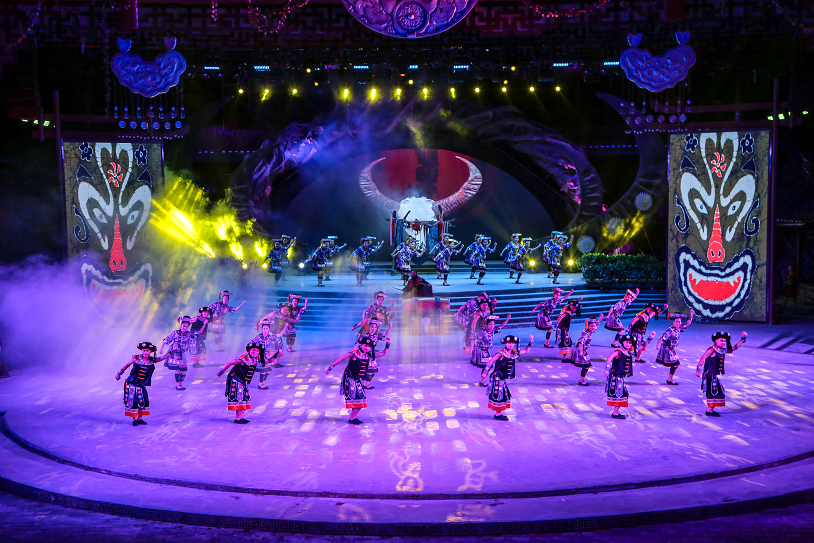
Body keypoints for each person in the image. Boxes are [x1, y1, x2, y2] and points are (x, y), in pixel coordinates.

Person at [325, 336, 390, 425]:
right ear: (361, 345)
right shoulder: (354, 353)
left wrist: (388, 344)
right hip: (349, 379)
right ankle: (352, 418)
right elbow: (341, 358)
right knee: (359, 399)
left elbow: (383, 353)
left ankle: (352, 418)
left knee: (361, 401)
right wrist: (330, 368)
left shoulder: (368, 355)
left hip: (356, 379)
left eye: (369, 346)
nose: (367, 348)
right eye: (365, 345)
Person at [480, 335, 534, 421]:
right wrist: (485, 372)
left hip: (502, 378)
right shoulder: (501, 353)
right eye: (509, 343)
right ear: (505, 343)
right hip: (497, 377)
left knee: (504, 395)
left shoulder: (513, 353)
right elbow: (491, 361)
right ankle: (498, 415)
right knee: (499, 396)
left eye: (512, 343)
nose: (511, 344)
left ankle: (498, 414)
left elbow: (526, 351)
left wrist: (531, 342)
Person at [115, 342, 170, 425]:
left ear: (150, 351)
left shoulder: (152, 360)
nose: (145, 352)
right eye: (144, 350)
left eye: (147, 351)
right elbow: (126, 365)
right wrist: (119, 373)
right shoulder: (135, 358)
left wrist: (172, 350)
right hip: (132, 383)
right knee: (134, 401)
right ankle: (134, 420)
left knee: (144, 401)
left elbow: (163, 357)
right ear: (141, 350)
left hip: (141, 385)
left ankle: (139, 419)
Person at [696, 331, 747, 416]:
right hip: (709, 374)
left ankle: (710, 410)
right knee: (715, 392)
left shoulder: (721, 350)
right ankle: (709, 410)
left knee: (717, 392)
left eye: (724, 341)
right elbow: (703, 358)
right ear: (716, 340)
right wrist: (698, 370)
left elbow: (734, 348)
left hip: (713, 374)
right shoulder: (712, 349)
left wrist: (743, 339)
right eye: (721, 340)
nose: (723, 342)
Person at [217, 340, 262, 423]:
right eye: (253, 350)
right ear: (249, 350)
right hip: (236, 379)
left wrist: (277, 354)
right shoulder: (243, 359)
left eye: (257, 350)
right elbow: (229, 363)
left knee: (246, 399)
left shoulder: (256, 359)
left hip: (243, 381)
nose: (255, 352)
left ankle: (240, 418)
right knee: (240, 399)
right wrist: (221, 372)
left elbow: (268, 361)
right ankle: (238, 419)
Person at [655, 310, 695, 385]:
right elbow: (663, 336)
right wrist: (657, 345)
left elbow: (687, 324)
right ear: (673, 322)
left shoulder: (679, 329)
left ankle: (670, 379)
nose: (678, 323)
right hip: (667, 348)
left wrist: (691, 315)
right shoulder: (671, 330)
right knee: (676, 364)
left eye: (679, 322)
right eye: (676, 322)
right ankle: (670, 379)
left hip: (671, 349)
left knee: (676, 364)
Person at [605, 333, 636, 419]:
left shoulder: (627, 352)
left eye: (630, 343)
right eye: (626, 342)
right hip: (615, 376)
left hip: (620, 377)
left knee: (623, 394)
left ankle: (615, 413)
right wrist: (607, 368)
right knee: (623, 394)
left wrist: (650, 338)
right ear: (623, 342)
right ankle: (615, 413)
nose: (628, 344)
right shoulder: (619, 351)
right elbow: (610, 357)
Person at [160, 315, 195, 390]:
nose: (184, 328)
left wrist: (196, 323)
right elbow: (166, 340)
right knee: (178, 369)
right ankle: (178, 385)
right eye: (183, 326)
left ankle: (180, 383)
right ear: (181, 325)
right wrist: (161, 349)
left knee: (184, 370)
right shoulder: (175, 333)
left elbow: (196, 335)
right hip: (175, 352)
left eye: (186, 326)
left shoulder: (189, 334)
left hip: (182, 353)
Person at [568, 315, 603, 386]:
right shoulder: (585, 333)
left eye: (594, 326)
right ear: (588, 326)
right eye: (591, 326)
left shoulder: (591, 330)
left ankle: (581, 380)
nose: (593, 327)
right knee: (587, 365)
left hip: (582, 349)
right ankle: (581, 380)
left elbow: (596, 325)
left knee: (587, 366)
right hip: (579, 349)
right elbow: (580, 342)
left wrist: (600, 318)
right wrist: (581, 351)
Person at [356, 318, 391, 389]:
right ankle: (364, 384)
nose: (373, 329)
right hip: (366, 354)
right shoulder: (365, 335)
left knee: (372, 371)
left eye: (375, 327)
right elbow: (358, 343)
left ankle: (366, 384)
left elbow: (386, 334)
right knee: (368, 370)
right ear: (369, 327)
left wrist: (390, 327)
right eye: (372, 327)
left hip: (372, 354)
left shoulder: (376, 335)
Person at [252, 319, 283, 389]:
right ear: (262, 329)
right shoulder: (258, 337)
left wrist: (285, 327)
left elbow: (279, 335)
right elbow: (250, 344)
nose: (265, 330)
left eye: (266, 328)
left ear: (269, 329)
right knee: (263, 370)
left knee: (268, 371)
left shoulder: (271, 336)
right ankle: (260, 384)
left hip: (267, 356)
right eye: (264, 328)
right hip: (260, 356)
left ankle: (262, 383)